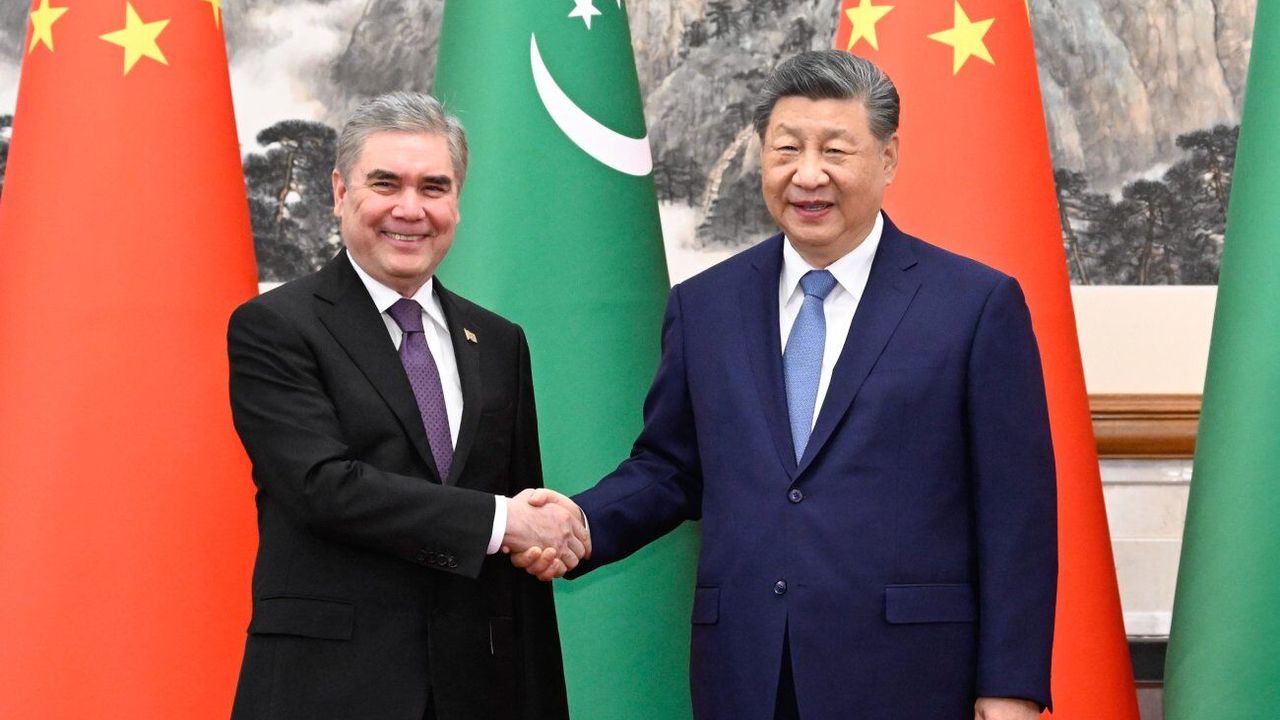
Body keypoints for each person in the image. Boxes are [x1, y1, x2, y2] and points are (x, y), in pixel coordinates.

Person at [517, 51, 1057, 720]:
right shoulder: (705, 305)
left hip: (911, 676)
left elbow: (1017, 512)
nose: (808, 175)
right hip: (748, 672)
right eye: (787, 149)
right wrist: (581, 522)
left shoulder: (974, 305)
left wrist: (1010, 686)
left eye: (835, 150)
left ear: (888, 158)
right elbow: (670, 467)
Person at [226, 91, 586, 720]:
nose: (410, 209)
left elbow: (517, 537)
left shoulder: (498, 341)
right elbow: (320, 487)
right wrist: (502, 522)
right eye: (386, 183)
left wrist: (530, 536)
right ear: (340, 192)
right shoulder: (274, 326)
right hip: (328, 692)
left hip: (478, 691)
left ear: (457, 202)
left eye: (434, 187)